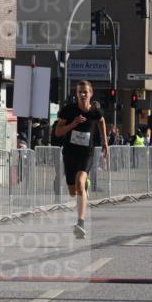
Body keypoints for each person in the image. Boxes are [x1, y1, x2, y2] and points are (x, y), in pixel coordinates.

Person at [53, 80, 108, 239]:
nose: (83, 94)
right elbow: (58, 132)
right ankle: (84, 186)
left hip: (87, 153)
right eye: (80, 92)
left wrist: (105, 142)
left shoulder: (95, 111)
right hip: (70, 153)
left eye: (85, 92)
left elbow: (101, 121)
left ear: (91, 94)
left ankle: (80, 223)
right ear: (76, 94)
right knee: (72, 192)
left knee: (79, 182)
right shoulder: (68, 111)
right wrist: (74, 123)